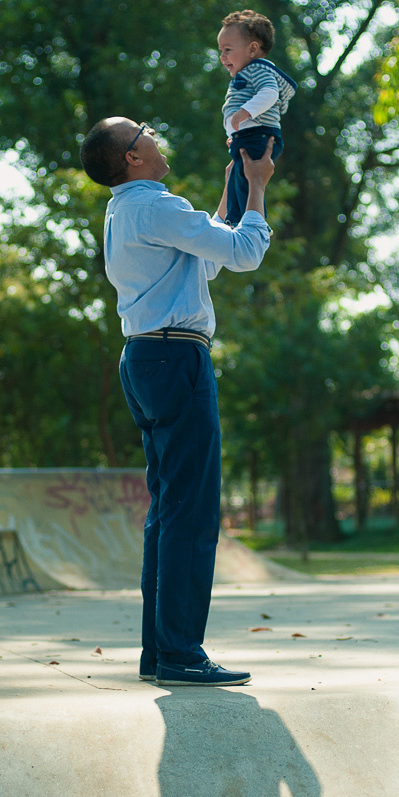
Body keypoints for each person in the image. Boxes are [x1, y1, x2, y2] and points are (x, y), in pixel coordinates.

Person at [80, 116, 275, 686]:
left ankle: (160, 651)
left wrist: (234, 183)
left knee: (167, 512)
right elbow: (244, 253)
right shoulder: (157, 207)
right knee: (191, 513)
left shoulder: (127, 211)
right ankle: (182, 653)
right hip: (176, 358)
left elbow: (206, 257)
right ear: (132, 157)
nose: (154, 135)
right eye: (144, 132)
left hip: (144, 358)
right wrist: (258, 187)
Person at [217, 9, 296, 227]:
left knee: (245, 179)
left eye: (228, 50)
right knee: (238, 179)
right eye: (221, 51)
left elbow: (270, 93)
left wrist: (245, 111)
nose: (222, 57)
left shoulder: (258, 69)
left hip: (258, 135)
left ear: (252, 49)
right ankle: (237, 220)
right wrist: (235, 133)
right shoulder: (248, 71)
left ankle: (251, 222)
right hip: (249, 135)